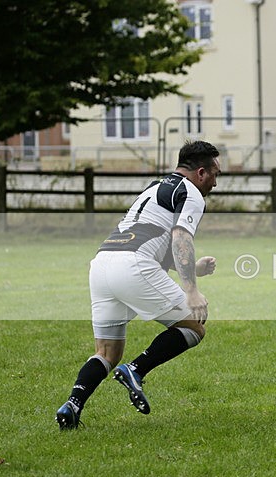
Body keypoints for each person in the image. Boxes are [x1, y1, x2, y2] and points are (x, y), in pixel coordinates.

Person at [55, 140, 221, 429]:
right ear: (202, 173)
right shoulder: (192, 193)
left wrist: (192, 268)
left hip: (102, 264)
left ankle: (72, 405)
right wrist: (191, 290)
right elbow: (181, 237)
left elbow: (151, 237)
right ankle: (135, 370)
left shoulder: (155, 187)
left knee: (106, 351)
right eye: (216, 175)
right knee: (193, 326)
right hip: (132, 265)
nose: (216, 184)